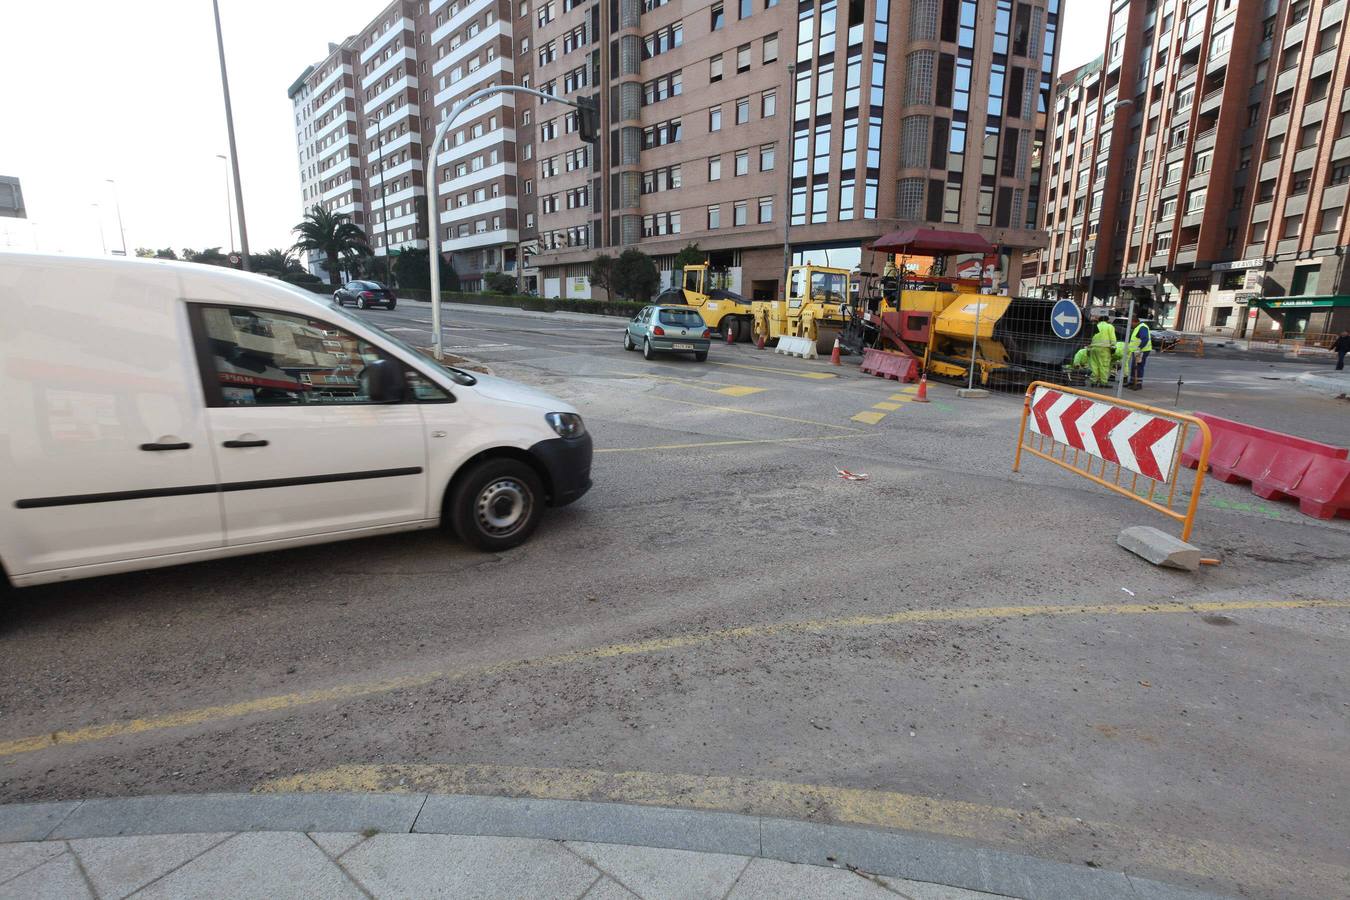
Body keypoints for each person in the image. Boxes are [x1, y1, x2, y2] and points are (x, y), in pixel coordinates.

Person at [1087, 311, 1115, 388]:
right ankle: (1103, 382)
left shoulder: (1095, 326)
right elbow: (1113, 339)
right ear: (1107, 320)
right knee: (1104, 366)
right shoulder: (1110, 327)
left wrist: (1089, 348)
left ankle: (1093, 381)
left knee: (1094, 365)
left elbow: (1090, 337)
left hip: (1093, 348)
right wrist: (1113, 347)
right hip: (1104, 349)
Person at [1127, 319, 1153, 390]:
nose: (1130, 325)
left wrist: (1139, 348)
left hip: (1142, 350)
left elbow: (1145, 339)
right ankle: (1132, 381)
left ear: (1135, 321)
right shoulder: (1138, 327)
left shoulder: (1142, 327)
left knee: (1139, 366)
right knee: (1134, 366)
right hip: (1137, 350)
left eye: (1131, 323)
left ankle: (1138, 383)